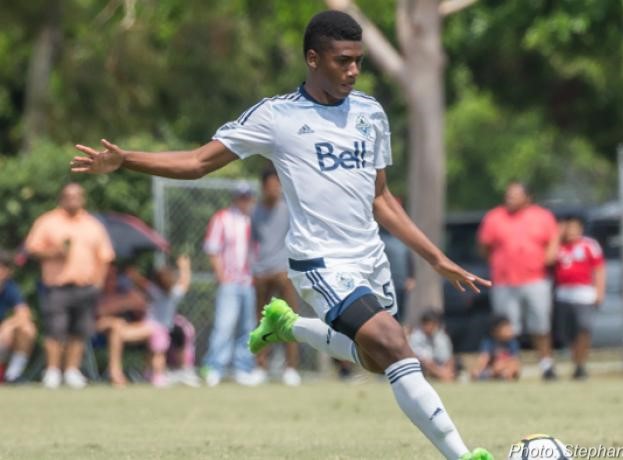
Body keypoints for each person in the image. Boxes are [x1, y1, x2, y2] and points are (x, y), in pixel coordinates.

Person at [71, 11, 493, 460]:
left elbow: (381, 198)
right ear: (313, 59)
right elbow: (197, 162)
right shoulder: (277, 116)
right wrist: (127, 160)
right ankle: (462, 455)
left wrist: (435, 258)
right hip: (320, 261)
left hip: (370, 257)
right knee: (393, 342)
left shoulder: (370, 112)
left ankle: (288, 326)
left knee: (377, 358)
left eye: (358, 61)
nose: (353, 70)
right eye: (342, 60)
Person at [25, 183, 115, 389]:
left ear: (83, 198)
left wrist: (99, 282)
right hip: (57, 286)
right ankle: (53, 371)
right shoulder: (48, 222)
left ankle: (72, 370)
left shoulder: (93, 225)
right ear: (62, 198)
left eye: (77, 196)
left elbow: (105, 257)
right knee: (54, 329)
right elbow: (32, 249)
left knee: (80, 330)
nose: (73, 200)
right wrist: (53, 252)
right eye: (69, 196)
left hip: (86, 286)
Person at [478, 182, 559, 380]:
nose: (510, 198)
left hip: (535, 279)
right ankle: (509, 366)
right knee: (506, 328)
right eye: (508, 195)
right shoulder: (494, 217)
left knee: (540, 324)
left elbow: (553, 241)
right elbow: (484, 246)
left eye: (515, 195)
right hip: (504, 281)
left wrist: (546, 259)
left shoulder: (542, 216)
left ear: (527, 198)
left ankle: (546, 364)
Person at [201, 182, 266, 387]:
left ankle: (243, 368)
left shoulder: (255, 219)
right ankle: (214, 367)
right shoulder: (222, 218)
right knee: (224, 326)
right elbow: (212, 248)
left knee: (247, 327)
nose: (245, 201)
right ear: (235, 198)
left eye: (248, 197)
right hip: (229, 281)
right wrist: (221, 276)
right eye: (241, 197)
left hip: (249, 281)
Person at [251, 167, 301, 386]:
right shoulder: (255, 212)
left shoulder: (288, 209)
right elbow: (254, 241)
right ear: (263, 187)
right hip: (261, 272)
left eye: (277, 185)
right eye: (270, 186)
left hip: (284, 271)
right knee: (262, 322)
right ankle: (260, 367)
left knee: (290, 319)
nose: (274, 190)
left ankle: (290, 368)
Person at [126, 255, 199, 387]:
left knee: (153, 353)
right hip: (162, 330)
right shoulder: (174, 294)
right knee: (158, 354)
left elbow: (141, 282)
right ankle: (157, 376)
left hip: (150, 327)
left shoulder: (155, 292)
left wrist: (133, 273)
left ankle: (153, 374)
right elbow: (185, 283)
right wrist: (185, 267)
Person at [555, 214, 606, 380]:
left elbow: (599, 269)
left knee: (584, 328)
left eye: (574, 228)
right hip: (563, 294)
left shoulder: (589, 245)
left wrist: (599, 291)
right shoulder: (558, 246)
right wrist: (557, 236)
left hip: (584, 294)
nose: (571, 231)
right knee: (567, 333)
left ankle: (581, 363)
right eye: (568, 228)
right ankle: (576, 361)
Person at [95, 265, 155, 387]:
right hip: (95, 330)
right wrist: (124, 303)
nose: (111, 280)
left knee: (152, 329)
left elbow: (141, 303)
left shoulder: (123, 290)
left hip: (123, 331)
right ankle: (115, 373)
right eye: (107, 276)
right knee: (116, 324)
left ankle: (154, 373)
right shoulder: (94, 290)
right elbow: (99, 311)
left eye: (113, 277)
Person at [0, 250, 36, 383]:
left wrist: (8, 326)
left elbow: (24, 314)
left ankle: (12, 376)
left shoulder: (10, 288)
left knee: (27, 329)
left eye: (3, 268)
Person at [469, 315, 521, 381]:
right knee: (477, 372)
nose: (510, 330)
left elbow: (514, 360)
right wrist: (478, 369)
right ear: (496, 330)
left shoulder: (512, 342)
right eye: (506, 328)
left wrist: (504, 365)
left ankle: (500, 375)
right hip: (493, 368)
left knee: (511, 369)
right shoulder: (488, 342)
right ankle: (494, 375)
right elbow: (484, 358)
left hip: (506, 367)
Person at [380, 226, 415, 324]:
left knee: (400, 310)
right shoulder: (380, 238)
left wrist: (411, 277)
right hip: (386, 283)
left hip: (401, 283)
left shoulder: (402, 240)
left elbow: (409, 259)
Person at [409, 311, 456, 382]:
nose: (430, 327)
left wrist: (448, 371)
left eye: (433, 324)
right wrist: (440, 374)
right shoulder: (415, 337)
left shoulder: (441, 336)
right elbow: (425, 361)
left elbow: (448, 358)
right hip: (421, 369)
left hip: (440, 368)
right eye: (428, 324)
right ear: (423, 324)